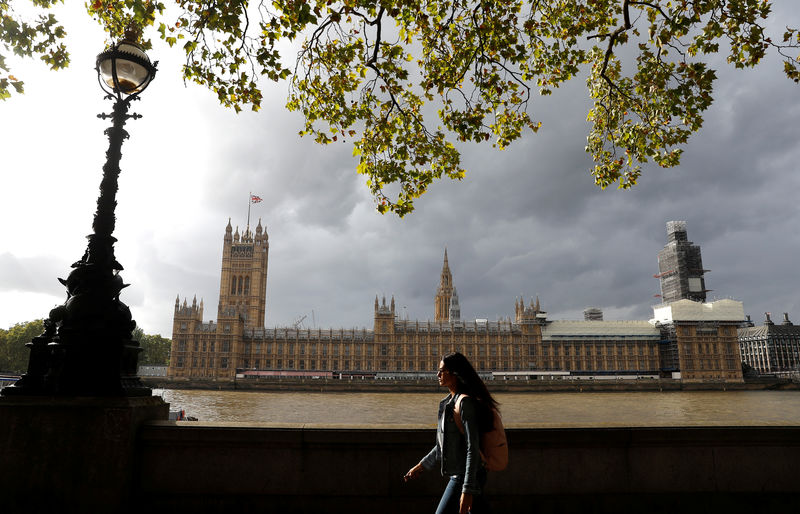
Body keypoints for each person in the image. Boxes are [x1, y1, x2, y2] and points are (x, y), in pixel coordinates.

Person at [404, 351, 498, 514]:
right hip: (464, 474)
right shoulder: (447, 403)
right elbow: (444, 443)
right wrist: (422, 465)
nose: (437, 374)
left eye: (442, 370)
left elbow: (472, 448)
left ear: (454, 374)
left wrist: (467, 489)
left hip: (466, 475)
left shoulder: (465, 403)